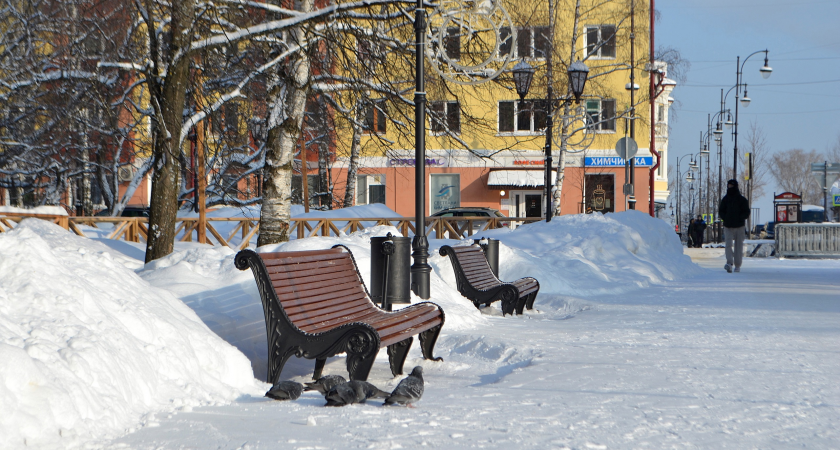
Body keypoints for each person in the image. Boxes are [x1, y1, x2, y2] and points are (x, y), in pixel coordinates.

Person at [719, 179, 750, 273]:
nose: (730, 187)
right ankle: (729, 263)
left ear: (735, 186)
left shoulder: (742, 200)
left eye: (731, 186)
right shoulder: (725, 199)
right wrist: (726, 218)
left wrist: (740, 218)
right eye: (729, 186)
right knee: (728, 244)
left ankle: (737, 264)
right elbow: (721, 211)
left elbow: (746, 212)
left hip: (739, 226)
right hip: (728, 226)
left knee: (738, 246)